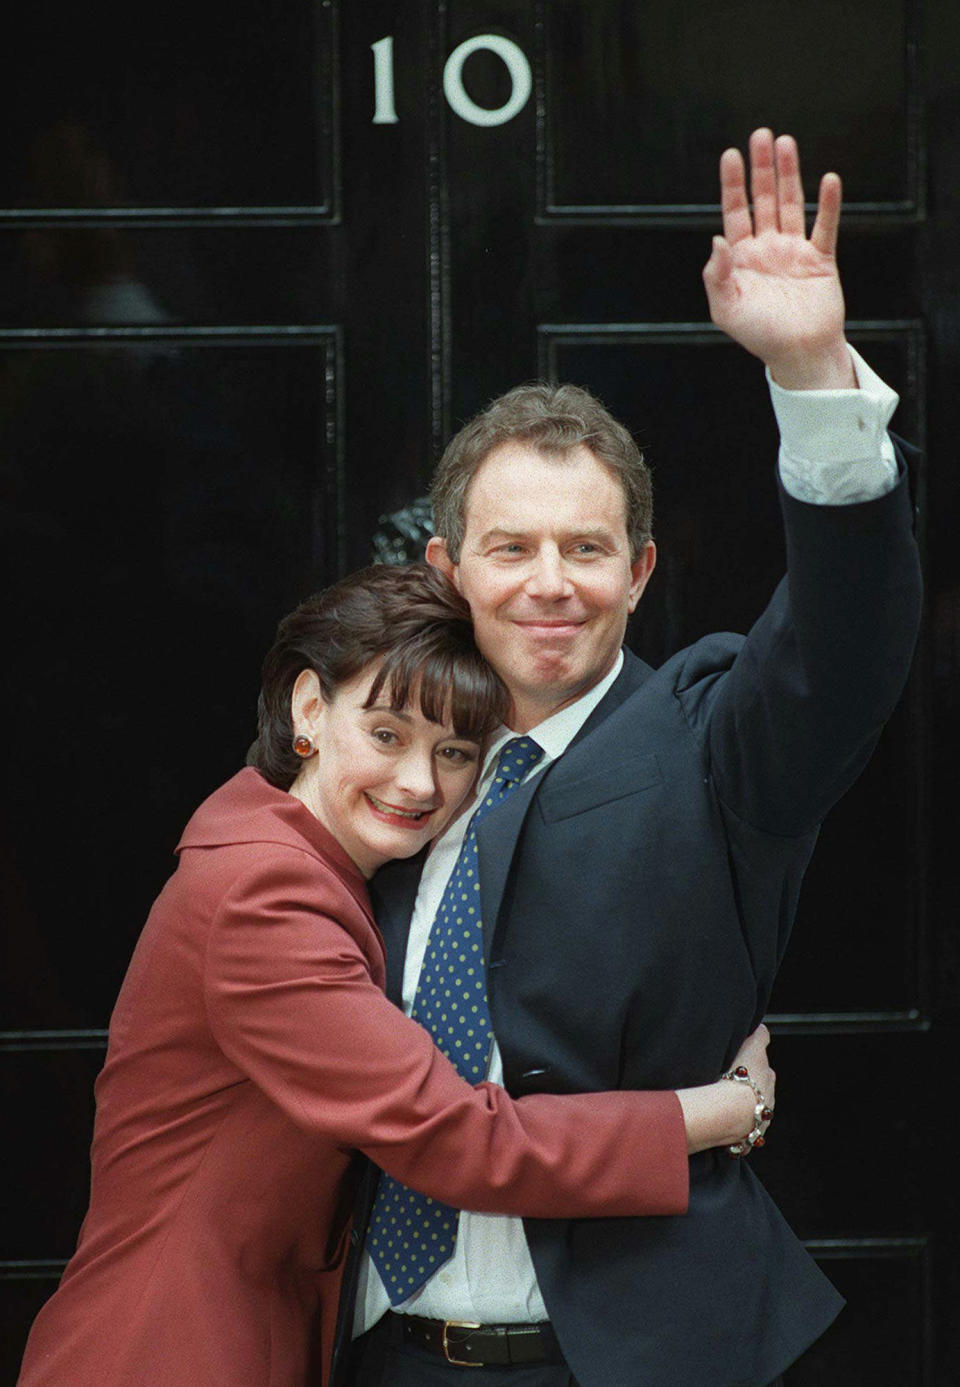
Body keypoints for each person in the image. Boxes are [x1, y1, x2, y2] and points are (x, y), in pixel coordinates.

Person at [338, 131, 923, 1387]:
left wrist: (813, 371)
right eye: (511, 550)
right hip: (376, 1347)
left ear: (641, 571)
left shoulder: (714, 741)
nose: (552, 584)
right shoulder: (378, 771)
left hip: (632, 1356)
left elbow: (844, 651)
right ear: (449, 574)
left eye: (589, 550)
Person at [15, 563, 774, 1387]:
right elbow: (459, 1139)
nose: (419, 782)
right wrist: (723, 1109)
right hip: (168, 1348)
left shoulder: (318, 864)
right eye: (386, 733)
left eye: (453, 751)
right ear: (309, 709)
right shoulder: (263, 896)